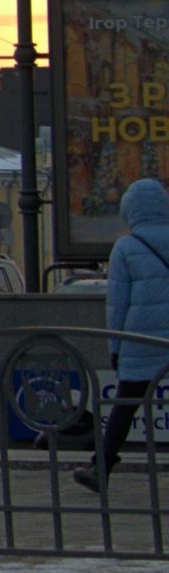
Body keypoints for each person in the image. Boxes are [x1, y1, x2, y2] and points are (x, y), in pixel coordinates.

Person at [75, 177, 169, 494]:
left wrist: (115, 347)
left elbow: (117, 305)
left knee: (125, 405)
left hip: (141, 339)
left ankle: (100, 469)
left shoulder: (126, 247)